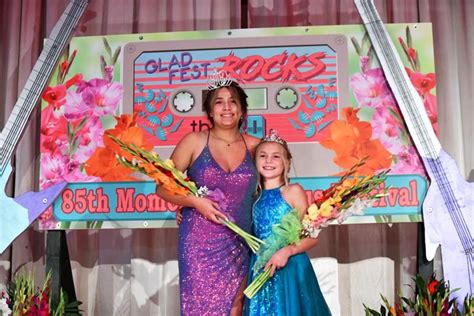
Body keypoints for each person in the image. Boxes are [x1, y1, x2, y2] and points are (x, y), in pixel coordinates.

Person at [155, 77, 260, 315]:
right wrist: (193, 202)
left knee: (236, 304)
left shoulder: (257, 146)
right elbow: (162, 187)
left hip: (241, 239)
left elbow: (271, 190)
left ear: (242, 109)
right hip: (199, 239)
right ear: (210, 111)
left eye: (232, 102)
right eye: (219, 102)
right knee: (201, 305)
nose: (226, 108)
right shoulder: (193, 142)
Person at [244, 131, 331, 315]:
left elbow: (312, 236)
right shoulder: (254, 197)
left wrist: (286, 251)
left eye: (276, 156)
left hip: (289, 268)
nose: (268, 161)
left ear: (287, 163)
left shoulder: (292, 191)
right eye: (263, 156)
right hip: (262, 268)